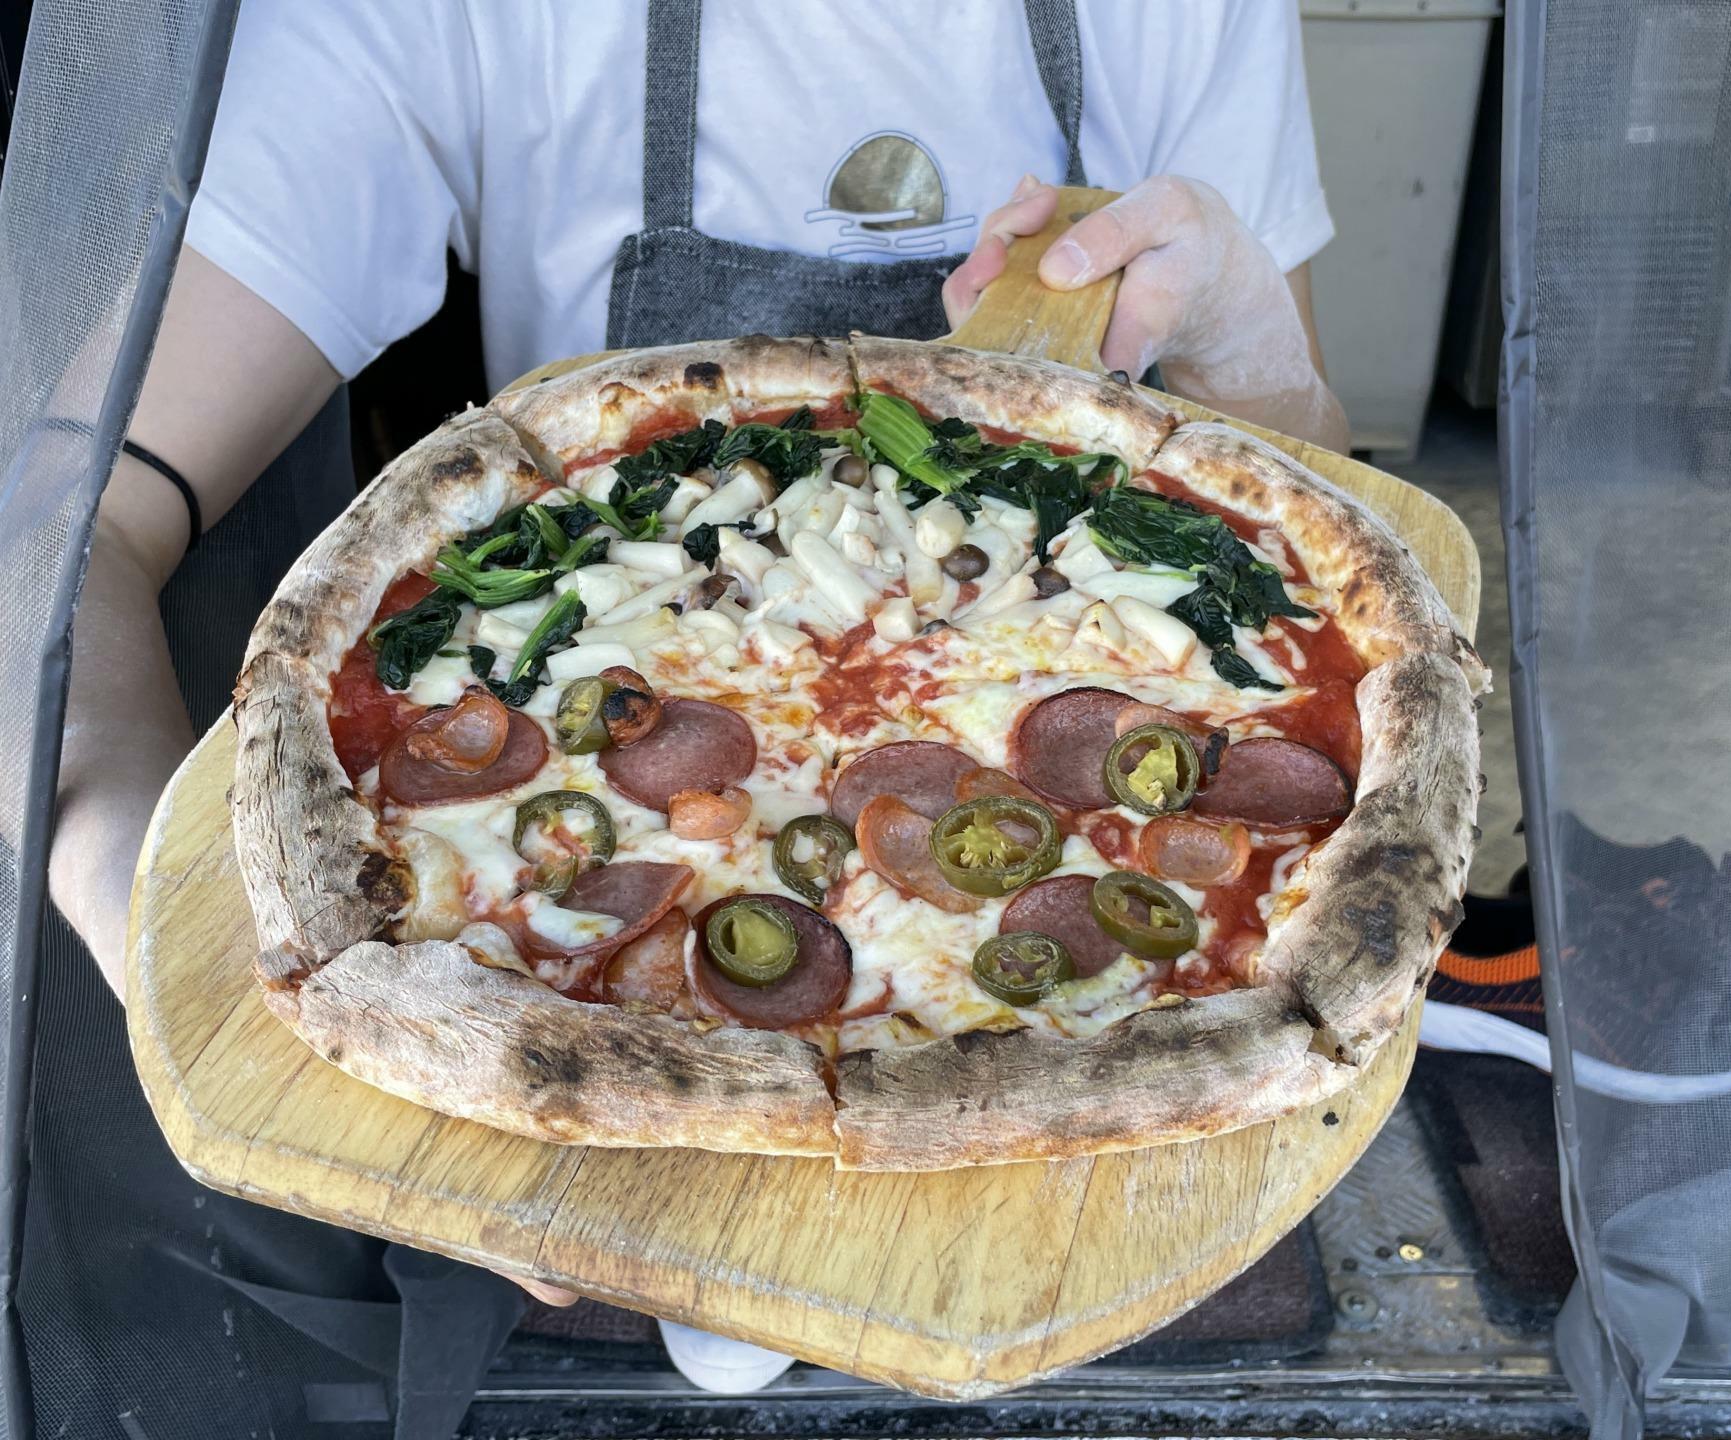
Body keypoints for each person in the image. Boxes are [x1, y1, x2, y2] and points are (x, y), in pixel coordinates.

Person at [34, 0, 1346, 1431]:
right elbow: (49, 529)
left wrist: (1250, 350)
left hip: (1089, 1224)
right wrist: (168, 929)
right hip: (539, 1166)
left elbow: (1320, 538)